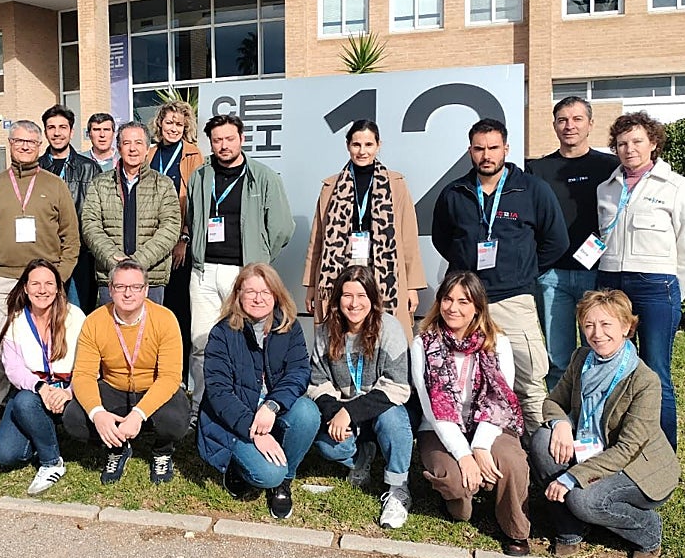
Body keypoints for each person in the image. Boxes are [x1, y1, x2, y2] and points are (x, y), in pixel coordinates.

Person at [431, 117, 568, 430]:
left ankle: (540, 451)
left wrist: (523, 272)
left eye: (493, 147)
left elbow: (556, 240)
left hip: (513, 298)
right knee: (465, 379)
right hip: (466, 304)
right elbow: (443, 239)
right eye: (479, 149)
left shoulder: (532, 190)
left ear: (506, 148)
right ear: (470, 151)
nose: (486, 155)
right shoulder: (455, 193)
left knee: (529, 381)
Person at [530, 289, 680, 558]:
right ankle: (570, 528)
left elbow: (627, 449)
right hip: (593, 449)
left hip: (636, 467)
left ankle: (647, 530)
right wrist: (561, 423)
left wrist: (572, 476)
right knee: (543, 439)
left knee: (583, 499)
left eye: (606, 324)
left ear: (626, 327)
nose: (597, 333)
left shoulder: (644, 381)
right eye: (589, 325)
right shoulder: (581, 359)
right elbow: (552, 402)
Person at [0, 120, 80, 447]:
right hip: (1, 280)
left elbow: (71, 237)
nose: (25, 147)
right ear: (10, 143)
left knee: (47, 344)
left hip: (44, 283)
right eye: (19, 141)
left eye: (31, 142)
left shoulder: (54, 185)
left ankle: (48, 405)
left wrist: (58, 278)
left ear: (40, 145)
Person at [596, 112, 685, 450]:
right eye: (622, 143)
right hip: (611, 284)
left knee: (656, 373)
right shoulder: (606, 188)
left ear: (653, 143)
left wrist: (674, 292)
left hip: (657, 286)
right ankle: (617, 445)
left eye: (637, 141)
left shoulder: (676, 186)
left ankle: (661, 454)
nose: (629, 149)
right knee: (612, 367)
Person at [412, 271, 531, 557]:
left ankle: (515, 528)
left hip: (490, 423)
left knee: (511, 462)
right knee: (455, 481)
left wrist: (479, 446)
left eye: (464, 301)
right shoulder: (423, 344)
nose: (453, 308)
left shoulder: (497, 342)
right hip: (440, 428)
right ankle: (459, 502)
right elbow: (434, 409)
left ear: (478, 306)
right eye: (448, 299)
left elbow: (500, 400)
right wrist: (464, 456)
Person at [185, 113, 295, 423]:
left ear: (242, 139)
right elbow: (193, 217)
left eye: (229, 138)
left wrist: (260, 260)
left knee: (246, 343)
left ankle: (242, 407)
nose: (223, 145)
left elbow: (282, 228)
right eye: (217, 139)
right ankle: (200, 408)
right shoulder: (201, 176)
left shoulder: (262, 176)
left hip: (243, 273)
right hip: (204, 271)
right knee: (202, 343)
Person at [197, 263, 319, 520]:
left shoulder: (289, 327)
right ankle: (236, 467)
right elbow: (219, 393)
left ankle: (284, 481)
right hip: (235, 420)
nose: (258, 298)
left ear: (276, 295)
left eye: (265, 291)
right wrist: (253, 432)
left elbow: (298, 373)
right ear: (238, 294)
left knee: (307, 413)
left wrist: (272, 405)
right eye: (250, 291)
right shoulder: (222, 333)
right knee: (266, 474)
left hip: (271, 411)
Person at [63, 260, 189, 484]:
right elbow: (83, 374)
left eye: (135, 287)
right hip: (114, 386)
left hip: (152, 386)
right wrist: (97, 414)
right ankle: (116, 446)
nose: (128, 293)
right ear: (110, 289)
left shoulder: (165, 319)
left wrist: (138, 414)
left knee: (176, 420)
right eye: (120, 287)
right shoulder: (95, 321)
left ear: (146, 290)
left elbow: (170, 376)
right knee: (74, 418)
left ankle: (162, 450)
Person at [309, 265, 414, 529]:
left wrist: (350, 412)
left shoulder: (390, 328)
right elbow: (317, 382)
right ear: (337, 300)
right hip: (345, 414)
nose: (354, 303)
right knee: (327, 446)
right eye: (347, 296)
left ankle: (398, 488)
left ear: (372, 299)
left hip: (381, 410)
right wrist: (336, 412)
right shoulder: (325, 332)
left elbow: (398, 386)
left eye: (361, 296)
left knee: (393, 419)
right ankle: (362, 457)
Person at [526, 97, 619, 390]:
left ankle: (598, 416)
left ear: (590, 124)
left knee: (602, 350)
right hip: (552, 277)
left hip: (597, 273)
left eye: (577, 119)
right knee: (558, 357)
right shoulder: (537, 170)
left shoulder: (610, 166)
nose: (570, 126)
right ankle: (561, 423)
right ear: (554, 125)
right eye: (563, 120)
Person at [303, 119, 425, 330]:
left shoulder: (396, 184)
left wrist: (412, 287)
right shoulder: (330, 186)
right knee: (340, 329)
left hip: (383, 270)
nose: (362, 151)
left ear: (378, 145)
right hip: (340, 268)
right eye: (356, 144)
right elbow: (318, 239)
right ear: (347, 145)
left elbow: (408, 238)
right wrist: (312, 286)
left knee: (383, 329)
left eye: (368, 145)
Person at [0, 259, 86, 495]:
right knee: (5, 456)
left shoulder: (76, 316)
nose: (42, 290)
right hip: (34, 390)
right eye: (35, 284)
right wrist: (41, 387)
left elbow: (89, 363)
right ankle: (42, 433)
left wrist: (68, 391)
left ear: (57, 287)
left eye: (48, 283)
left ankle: (51, 462)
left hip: (70, 388)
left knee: (27, 404)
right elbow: (13, 369)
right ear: (25, 287)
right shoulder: (16, 320)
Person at [81, 121, 180, 306]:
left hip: (151, 278)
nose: (132, 149)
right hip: (111, 277)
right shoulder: (100, 183)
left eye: (138, 143)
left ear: (147, 148)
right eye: (127, 143)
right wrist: (115, 261)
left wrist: (137, 262)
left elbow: (171, 227)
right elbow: (90, 225)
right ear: (119, 147)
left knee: (149, 332)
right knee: (112, 333)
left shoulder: (163, 184)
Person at [147, 100, 204, 350]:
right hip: (149, 238)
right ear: (160, 123)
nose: (173, 128)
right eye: (169, 122)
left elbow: (195, 201)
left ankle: (180, 373)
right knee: (153, 307)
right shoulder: (150, 153)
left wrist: (184, 238)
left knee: (178, 307)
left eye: (179, 124)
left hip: (178, 241)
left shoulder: (192, 154)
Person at [39, 105, 101, 311]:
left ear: (71, 131)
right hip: (44, 252)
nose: (57, 133)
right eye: (51, 127)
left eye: (62, 127)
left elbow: (97, 212)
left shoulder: (89, 168)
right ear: (45, 131)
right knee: (47, 311)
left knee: (78, 312)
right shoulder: (36, 168)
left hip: (80, 253)